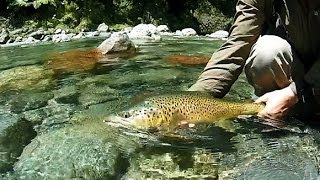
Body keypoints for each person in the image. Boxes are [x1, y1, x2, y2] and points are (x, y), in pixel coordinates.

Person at [189, 0, 320, 121]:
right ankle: (278, 116)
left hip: (309, 82)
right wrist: (195, 99)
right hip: (299, 72)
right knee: (266, 52)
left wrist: (295, 92)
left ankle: (298, 106)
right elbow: (238, 44)